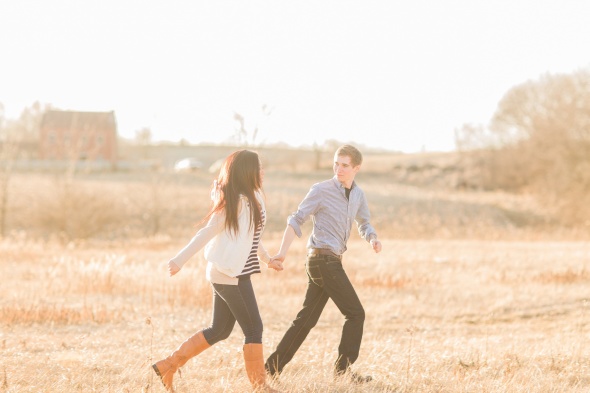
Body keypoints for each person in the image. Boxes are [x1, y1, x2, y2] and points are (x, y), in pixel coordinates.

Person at [152, 150, 283, 392]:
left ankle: (167, 366)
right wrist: (179, 260)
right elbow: (206, 232)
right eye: (258, 167)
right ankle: (260, 386)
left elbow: (252, 235)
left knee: (220, 330)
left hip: (237, 272)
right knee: (254, 328)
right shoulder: (234, 203)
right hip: (227, 274)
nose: (262, 171)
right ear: (248, 172)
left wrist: (267, 259)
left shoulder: (254, 197)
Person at [265, 144, 382, 383]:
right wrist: (281, 253)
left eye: (344, 165)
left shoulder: (358, 195)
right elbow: (296, 219)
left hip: (329, 260)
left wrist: (372, 237)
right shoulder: (321, 190)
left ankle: (271, 368)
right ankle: (342, 372)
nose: (338, 169)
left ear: (356, 168)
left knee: (306, 320)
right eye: (336, 164)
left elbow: (364, 222)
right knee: (356, 313)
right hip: (322, 260)